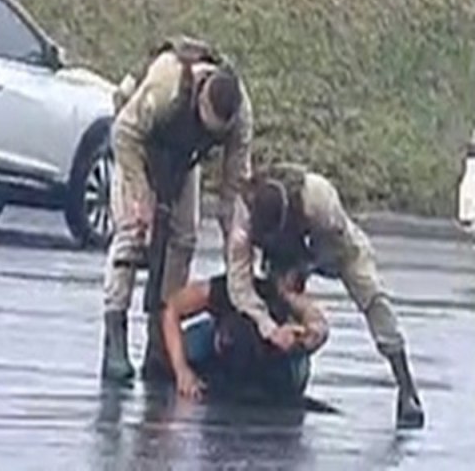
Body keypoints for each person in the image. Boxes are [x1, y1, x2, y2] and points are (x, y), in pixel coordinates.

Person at [226, 162, 425, 428]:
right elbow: (238, 284)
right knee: (274, 299)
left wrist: (301, 270)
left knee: (373, 297)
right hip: (284, 257)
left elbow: (336, 247)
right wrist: (269, 326)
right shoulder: (244, 215)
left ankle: (406, 387)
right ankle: (277, 372)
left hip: (335, 246)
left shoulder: (318, 198)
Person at [102, 36, 253, 381]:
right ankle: (115, 338)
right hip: (137, 145)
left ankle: (161, 341)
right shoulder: (166, 86)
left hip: (183, 160)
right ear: (200, 97)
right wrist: (142, 197)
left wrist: (237, 248)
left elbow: (236, 189)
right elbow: (123, 133)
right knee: (132, 235)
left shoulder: (241, 113)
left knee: (184, 239)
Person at [162, 265, 329, 400]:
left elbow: (318, 324)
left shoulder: (285, 302)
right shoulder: (224, 290)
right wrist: (181, 370)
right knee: (190, 346)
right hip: (218, 339)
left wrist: (302, 337)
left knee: (292, 373)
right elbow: (172, 309)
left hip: (276, 360)